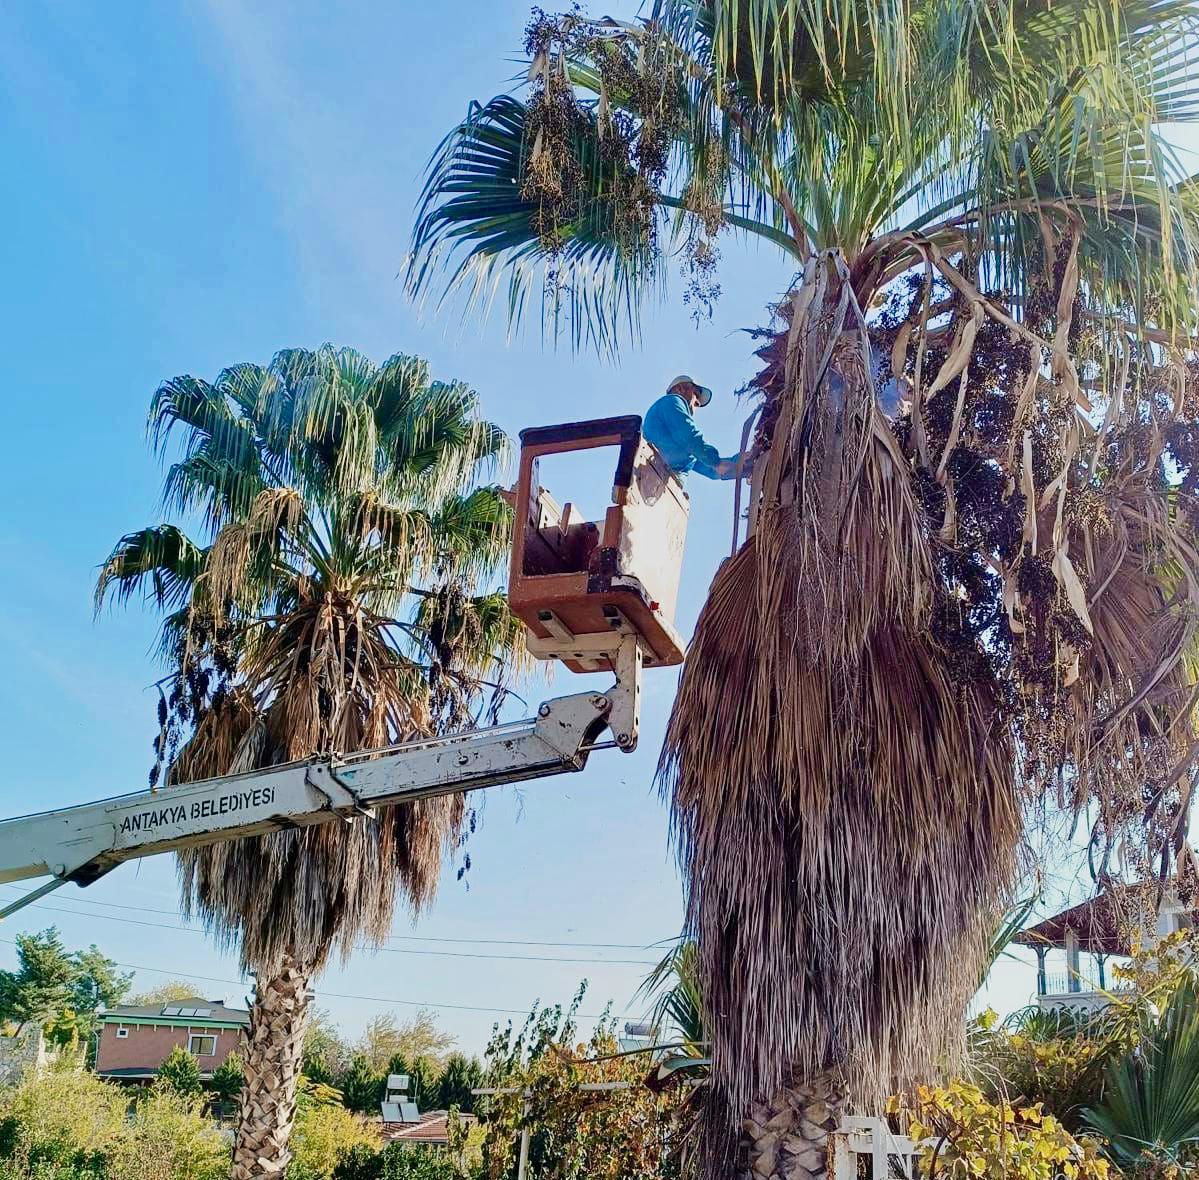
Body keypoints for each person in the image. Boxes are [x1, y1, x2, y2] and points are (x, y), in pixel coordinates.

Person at [643, 375, 742, 481]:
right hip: (651, 473)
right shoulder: (671, 401)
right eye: (696, 394)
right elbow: (689, 436)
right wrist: (716, 462)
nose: (698, 403)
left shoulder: (686, 450)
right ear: (680, 389)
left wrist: (740, 462)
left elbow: (711, 470)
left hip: (659, 481)